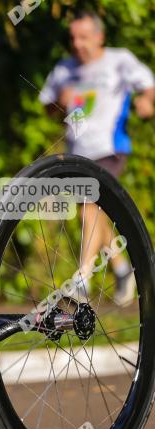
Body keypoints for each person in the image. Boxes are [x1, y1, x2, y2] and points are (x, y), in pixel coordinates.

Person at [39, 11, 155, 305]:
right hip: (79, 152)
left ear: (100, 37)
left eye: (84, 37)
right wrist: (58, 102)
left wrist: (146, 102)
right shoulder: (65, 69)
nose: (78, 44)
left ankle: (82, 279)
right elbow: (48, 107)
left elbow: (149, 89)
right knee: (92, 212)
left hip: (110, 147)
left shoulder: (119, 60)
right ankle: (119, 267)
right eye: (73, 38)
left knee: (90, 206)